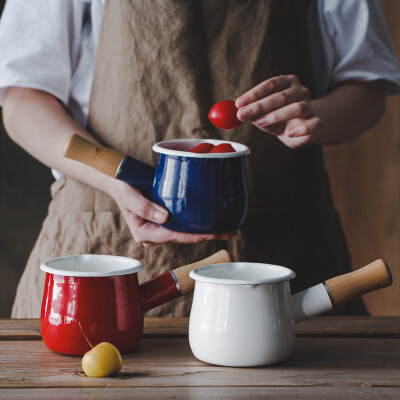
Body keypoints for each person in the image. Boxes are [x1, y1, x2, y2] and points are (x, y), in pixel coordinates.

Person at [1, 0, 399, 318]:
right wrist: (112, 182)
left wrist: (314, 117)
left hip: (284, 248)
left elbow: (367, 88)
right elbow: (22, 101)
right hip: (107, 242)